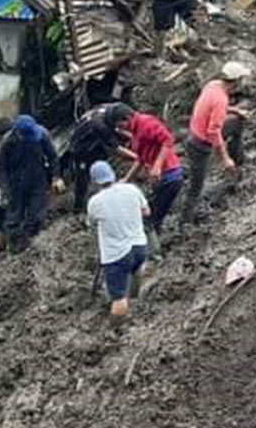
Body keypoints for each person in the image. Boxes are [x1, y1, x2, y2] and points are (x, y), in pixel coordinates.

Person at [182, 62, 252, 225]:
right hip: (200, 144)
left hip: (197, 132)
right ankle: (185, 222)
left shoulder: (213, 85)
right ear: (236, 81)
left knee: (236, 123)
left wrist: (237, 111)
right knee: (196, 186)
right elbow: (213, 132)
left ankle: (238, 160)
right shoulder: (220, 99)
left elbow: (216, 107)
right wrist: (224, 158)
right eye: (241, 79)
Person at [86, 162, 150, 317]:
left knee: (118, 298)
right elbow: (147, 211)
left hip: (116, 255)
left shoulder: (95, 202)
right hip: (140, 246)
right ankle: (134, 299)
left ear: (95, 181)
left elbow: (92, 223)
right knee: (137, 270)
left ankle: (116, 331)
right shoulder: (132, 189)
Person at [115, 109, 184, 252]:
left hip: (170, 176)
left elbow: (168, 140)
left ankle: (154, 253)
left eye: (121, 125)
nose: (121, 129)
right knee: (150, 214)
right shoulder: (135, 132)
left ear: (127, 118)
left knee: (151, 216)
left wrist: (157, 166)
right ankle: (152, 247)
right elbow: (141, 159)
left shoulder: (146, 123)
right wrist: (127, 179)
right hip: (160, 179)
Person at [0, 115, 62, 252]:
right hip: (16, 183)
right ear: (18, 133)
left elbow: (52, 156)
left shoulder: (42, 134)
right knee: (14, 218)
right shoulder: (7, 142)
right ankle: (14, 247)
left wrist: (56, 177)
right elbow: (2, 169)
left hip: (38, 179)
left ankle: (30, 241)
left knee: (37, 215)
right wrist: (5, 191)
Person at [66, 103, 138, 213]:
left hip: (95, 140)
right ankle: (78, 207)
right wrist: (138, 158)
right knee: (82, 177)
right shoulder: (100, 126)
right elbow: (116, 148)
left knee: (106, 157)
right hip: (81, 148)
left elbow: (118, 129)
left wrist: (136, 137)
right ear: (117, 119)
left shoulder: (108, 110)